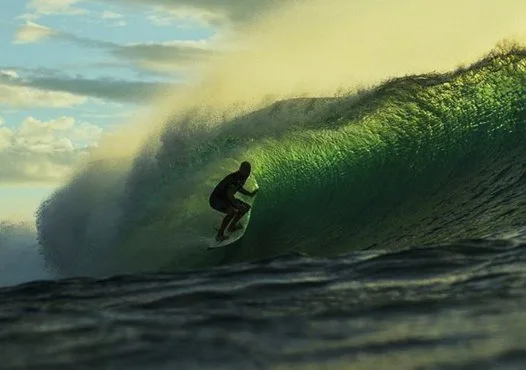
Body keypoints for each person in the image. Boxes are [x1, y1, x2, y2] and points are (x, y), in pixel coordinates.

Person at [209, 161, 258, 241]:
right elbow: (230, 193)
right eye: (246, 170)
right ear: (241, 169)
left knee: (246, 207)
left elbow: (239, 188)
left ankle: (232, 227)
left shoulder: (242, 177)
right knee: (232, 211)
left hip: (225, 199)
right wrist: (238, 205)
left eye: (249, 170)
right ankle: (219, 235)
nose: (248, 173)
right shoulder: (236, 178)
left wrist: (249, 194)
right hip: (216, 199)